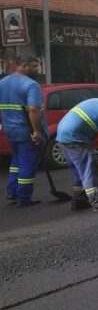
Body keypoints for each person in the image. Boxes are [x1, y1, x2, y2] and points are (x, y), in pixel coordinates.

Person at [0, 55, 45, 207]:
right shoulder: (31, 85)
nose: (37, 70)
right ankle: (24, 197)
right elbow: (33, 109)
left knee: (16, 161)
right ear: (24, 66)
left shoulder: (2, 82)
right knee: (27, 163)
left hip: (9, 129)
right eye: (34, 66)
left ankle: (12, 191)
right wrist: (37, 132)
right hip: (26, 130)